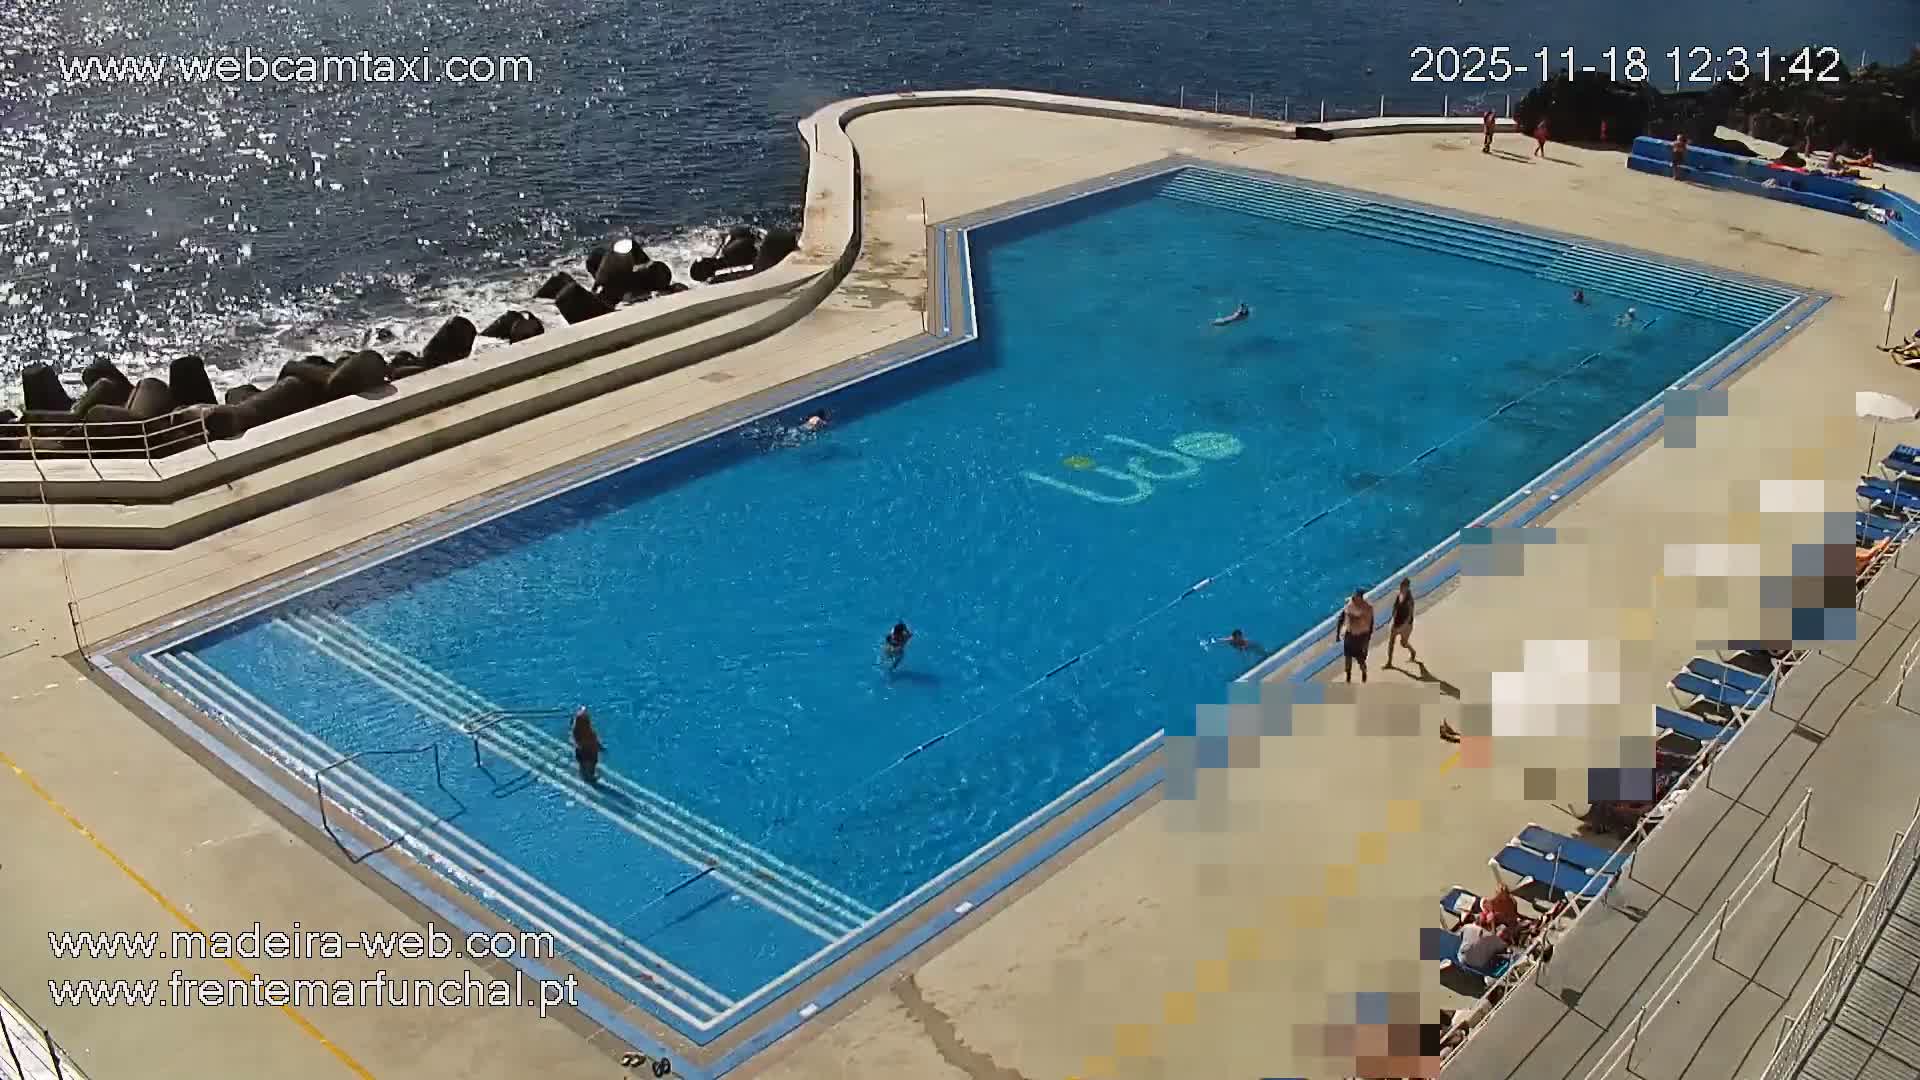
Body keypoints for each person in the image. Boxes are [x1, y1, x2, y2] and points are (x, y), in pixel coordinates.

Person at [1335, 589, 1375, 683]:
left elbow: (1371, 624)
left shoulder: (1368, 608)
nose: (1352, 598)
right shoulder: (1349, 605)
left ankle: (1364, 673)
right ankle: (1348, 678)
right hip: (1349, 636)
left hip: (1360, 638)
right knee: (1347, 658)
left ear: (1360, 597)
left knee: (1360, 660)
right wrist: (1337, 634)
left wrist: (1367, 640)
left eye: (1355, 597)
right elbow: (1341, 618)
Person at [1386, 578, 1418, 668]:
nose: (1400, 588)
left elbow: (1410, 615)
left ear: (1407, 587)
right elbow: (1395, 607)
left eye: (1402, 586)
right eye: (1400, 586)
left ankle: (1412, 651)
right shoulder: (1399, 595)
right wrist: (1392, 618)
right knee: (1391, 642)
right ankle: (1389, 663)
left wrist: (1404, 626)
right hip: (1396, 623)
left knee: (1403, 643)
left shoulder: (1409, 600)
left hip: (1406, 625)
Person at [571, 706, 602, 785]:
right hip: (586, 751)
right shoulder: (580, 731)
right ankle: (587, 777)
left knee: (589, 764)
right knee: (587, 764)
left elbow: (593, 739)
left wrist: (598, 746)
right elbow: (579, 741)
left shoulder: (586, 730)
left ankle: (587, 775)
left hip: (588, 750)